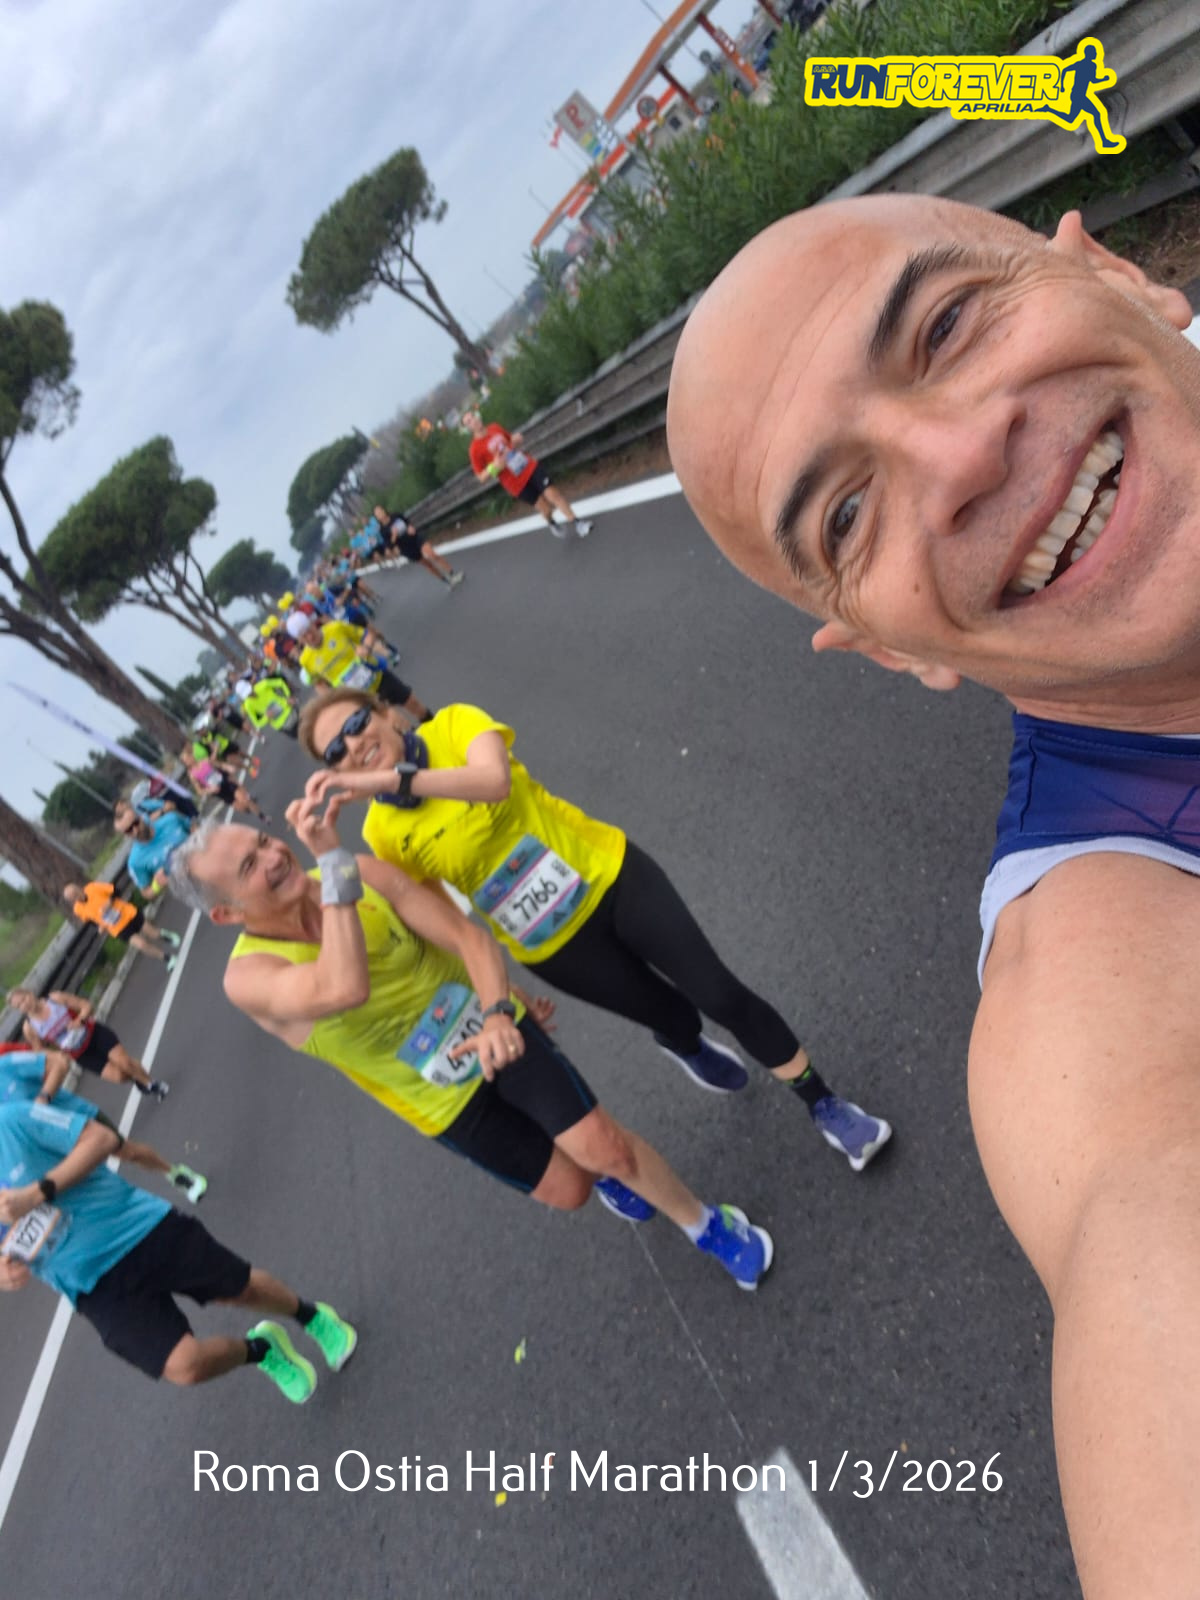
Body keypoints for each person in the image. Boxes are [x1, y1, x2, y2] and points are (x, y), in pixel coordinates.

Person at [665, 193, 1200, 1598]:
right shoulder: (1091, 993)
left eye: (952, 326)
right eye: (849, 515)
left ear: (1121, 272)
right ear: (895, 651)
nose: (962, 457)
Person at [168, 806, 775, 1290]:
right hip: (438, 1098)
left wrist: (497, 1008)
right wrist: (331, 867)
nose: (275, 856)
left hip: (491, 1029)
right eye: (249, 867)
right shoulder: (249, 978)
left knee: (606, 1147)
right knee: (572, 1188)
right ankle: (602, 1177)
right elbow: (342, 986)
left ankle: (706, 1225)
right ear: (225, 913)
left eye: (264, 841)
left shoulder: (361, 874)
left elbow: (468, 939)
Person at [298, 691, 890, 1170]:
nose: (354, 744)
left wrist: (396, 781)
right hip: (551, 945)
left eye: (356, 723)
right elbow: (447, 925)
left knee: (720, 993)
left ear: (384, 713)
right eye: (336, 751)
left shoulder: (454, 725)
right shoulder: (382, 835)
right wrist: (501, 995)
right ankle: (683, 1042)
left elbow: (493, 780)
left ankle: (824, 1103)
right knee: (671, 1012)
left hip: (609, 874)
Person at [0, 1095, 354, 1400]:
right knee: (186, 1367)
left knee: (240, 1290)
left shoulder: (12, 1120)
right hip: (90, 1285)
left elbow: (100, 1138)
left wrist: (37, 1193)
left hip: (139, 1229)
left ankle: (312, 1317)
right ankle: (263, 1350)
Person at [0, 1045, 206, 1201]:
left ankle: (175, 1173)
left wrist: (43, 1098)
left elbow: (59, 1064)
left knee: (129, 1153)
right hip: (41, 1151)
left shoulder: (6, 1065)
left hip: (78, 1121)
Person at [8, 985, 169, 1100]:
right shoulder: (29, 1027)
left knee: (124, 1062)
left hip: (94, 1033)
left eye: (24, 998)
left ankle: (152, 1084)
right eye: (19, 1005)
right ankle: (136, 1075)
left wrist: (80, 1020)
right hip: (80, 1054)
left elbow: (85, 1005)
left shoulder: (55, 999)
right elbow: (39, 1050)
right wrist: (58, 1054)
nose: (25, 1004)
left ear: (30, 993)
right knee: (119, 1076)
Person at [464, 410, 593, 538]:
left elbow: (509, 441)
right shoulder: (474, 449)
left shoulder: (494, 427)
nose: (473, 421)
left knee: (553, 494)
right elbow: (481, 477)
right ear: (468, 428)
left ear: (478, 417)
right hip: (515, 483)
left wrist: (516, 440)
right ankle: (551, 522)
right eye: (469, 422)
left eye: (473, 417)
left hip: (528, 466)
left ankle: (578, 523)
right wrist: (494, 467)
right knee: (546, 509)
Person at [284, 611, 431, 723]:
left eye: (309, 630)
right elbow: (319, 684)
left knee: (414, 705)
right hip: (359, 696)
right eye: (304, 636)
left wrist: (366, 648)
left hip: (377, 677)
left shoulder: (335, 628)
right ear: (299, 640)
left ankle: (434, 724)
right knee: (394, 721)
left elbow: (367, 635)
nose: (310, 637)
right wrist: (332, 699)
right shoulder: (306, 660)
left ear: (313, 624)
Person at [62, 880, 182, 970]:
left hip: (127, 913)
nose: (76, 898)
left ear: (78, 889)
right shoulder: (78, 909)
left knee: (153, 933)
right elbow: (91, 922)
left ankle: (166, 935)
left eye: (75, 894)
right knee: (141, 945)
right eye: (72, 899)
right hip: (117, 927)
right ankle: (167, 958)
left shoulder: (92, 887)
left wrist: (109, 902)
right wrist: (100, 927)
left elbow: (116, 890)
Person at [115, 798, 193, 899]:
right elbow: (145, 892)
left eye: (136, 823)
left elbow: (193, 827)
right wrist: (156, 886)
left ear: (141, 817)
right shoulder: (135, 862)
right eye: (128, 830)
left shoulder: (171, 820)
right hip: (192, 889)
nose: (135, 831)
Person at [371, 503, 463, 588]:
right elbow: (390, 545)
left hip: (414, 537)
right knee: (428, 564)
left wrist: (410, 527)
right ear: (377, 518)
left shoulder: (396, 515)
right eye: (377, 514)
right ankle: (446, 581)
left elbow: (407, 522)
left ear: (384, 510)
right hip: (407, 548)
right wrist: (394, 535)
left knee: (432, 554)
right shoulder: (382, 530)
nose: (380, 513)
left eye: (380, 510)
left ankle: (453, 574)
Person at [184, 749, 269, 820]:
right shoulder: (192, 775)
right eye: (187, 760)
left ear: (192, 755)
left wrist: (228, 767)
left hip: (226, 782)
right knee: (243, 808)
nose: (190, 759)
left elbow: (220, 765)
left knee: (245, 799)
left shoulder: (205, 761)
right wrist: (210, 790)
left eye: (189, 756)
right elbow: (199, 791)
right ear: (186, 763)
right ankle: (250, 806)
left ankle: (263, 816)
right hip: (220, 792)